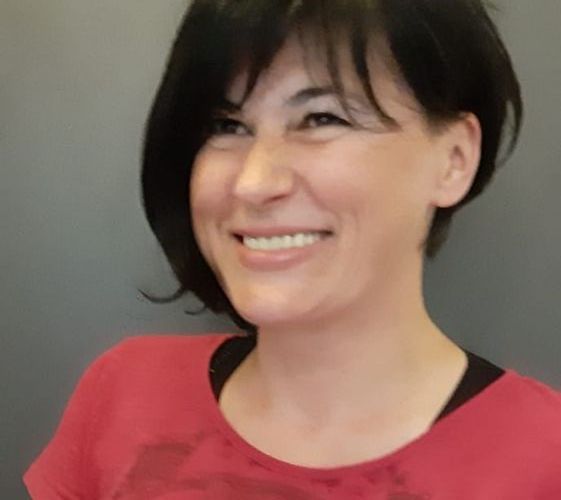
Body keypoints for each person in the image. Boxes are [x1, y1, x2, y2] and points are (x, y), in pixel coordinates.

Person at [24, 1, 561, 498]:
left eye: (322, 118)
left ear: (454, 159)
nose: (253, 183)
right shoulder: (124, 393)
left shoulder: (544, 458)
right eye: (227, 126)